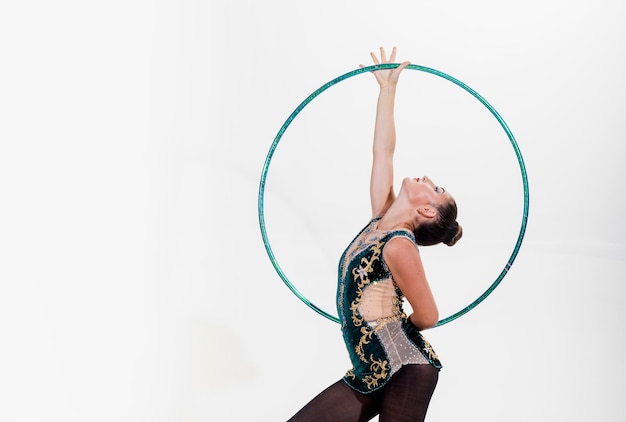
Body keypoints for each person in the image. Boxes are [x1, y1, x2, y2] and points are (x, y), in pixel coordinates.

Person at [287, 47, 463, 422]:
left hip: (406, 368)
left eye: (436, 188)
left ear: (427, 210)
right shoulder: (379, 220)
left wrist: (388, 332)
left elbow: (428, 315)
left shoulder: (400, 246)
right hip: (370, 371)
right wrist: (387, 91)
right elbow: (382, 152)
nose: (429, 179)